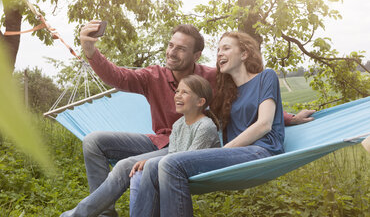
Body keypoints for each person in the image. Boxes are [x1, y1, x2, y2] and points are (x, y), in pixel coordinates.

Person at [62, 22, 314, 216]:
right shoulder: (153, 76)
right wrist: (90, 51)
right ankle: (103, 213)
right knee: (94, 141)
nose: (172, 52)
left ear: (195, 56)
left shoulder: (217, 78)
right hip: (161, 139)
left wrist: (289, 117)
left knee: (133, 166)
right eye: (171, 45)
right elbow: (119, 77)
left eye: (181, 48)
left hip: (192, 142)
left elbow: (257, 109)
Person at [131, 31, 286, 217]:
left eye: (226, 48)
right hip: (233, 154)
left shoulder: (265, 77)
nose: (219, 53)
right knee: (152, 167)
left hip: (261, 151)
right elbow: (194, 113)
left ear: (244, 54)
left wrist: (223, 150)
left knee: (171, 164)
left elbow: (264, 124)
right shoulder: (227, 93)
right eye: (218, 50)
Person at [128, 74, 220, 215]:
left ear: (200, 102)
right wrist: (150, 162)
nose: (178, 95)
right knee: (138, 175)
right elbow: (172, 154)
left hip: (200, 171)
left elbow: (190, 160)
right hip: (176, 166)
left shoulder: (205, 126)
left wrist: (151, 162)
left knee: (151, 167)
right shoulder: (178, 125)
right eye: (177, 91)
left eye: (185, 92)